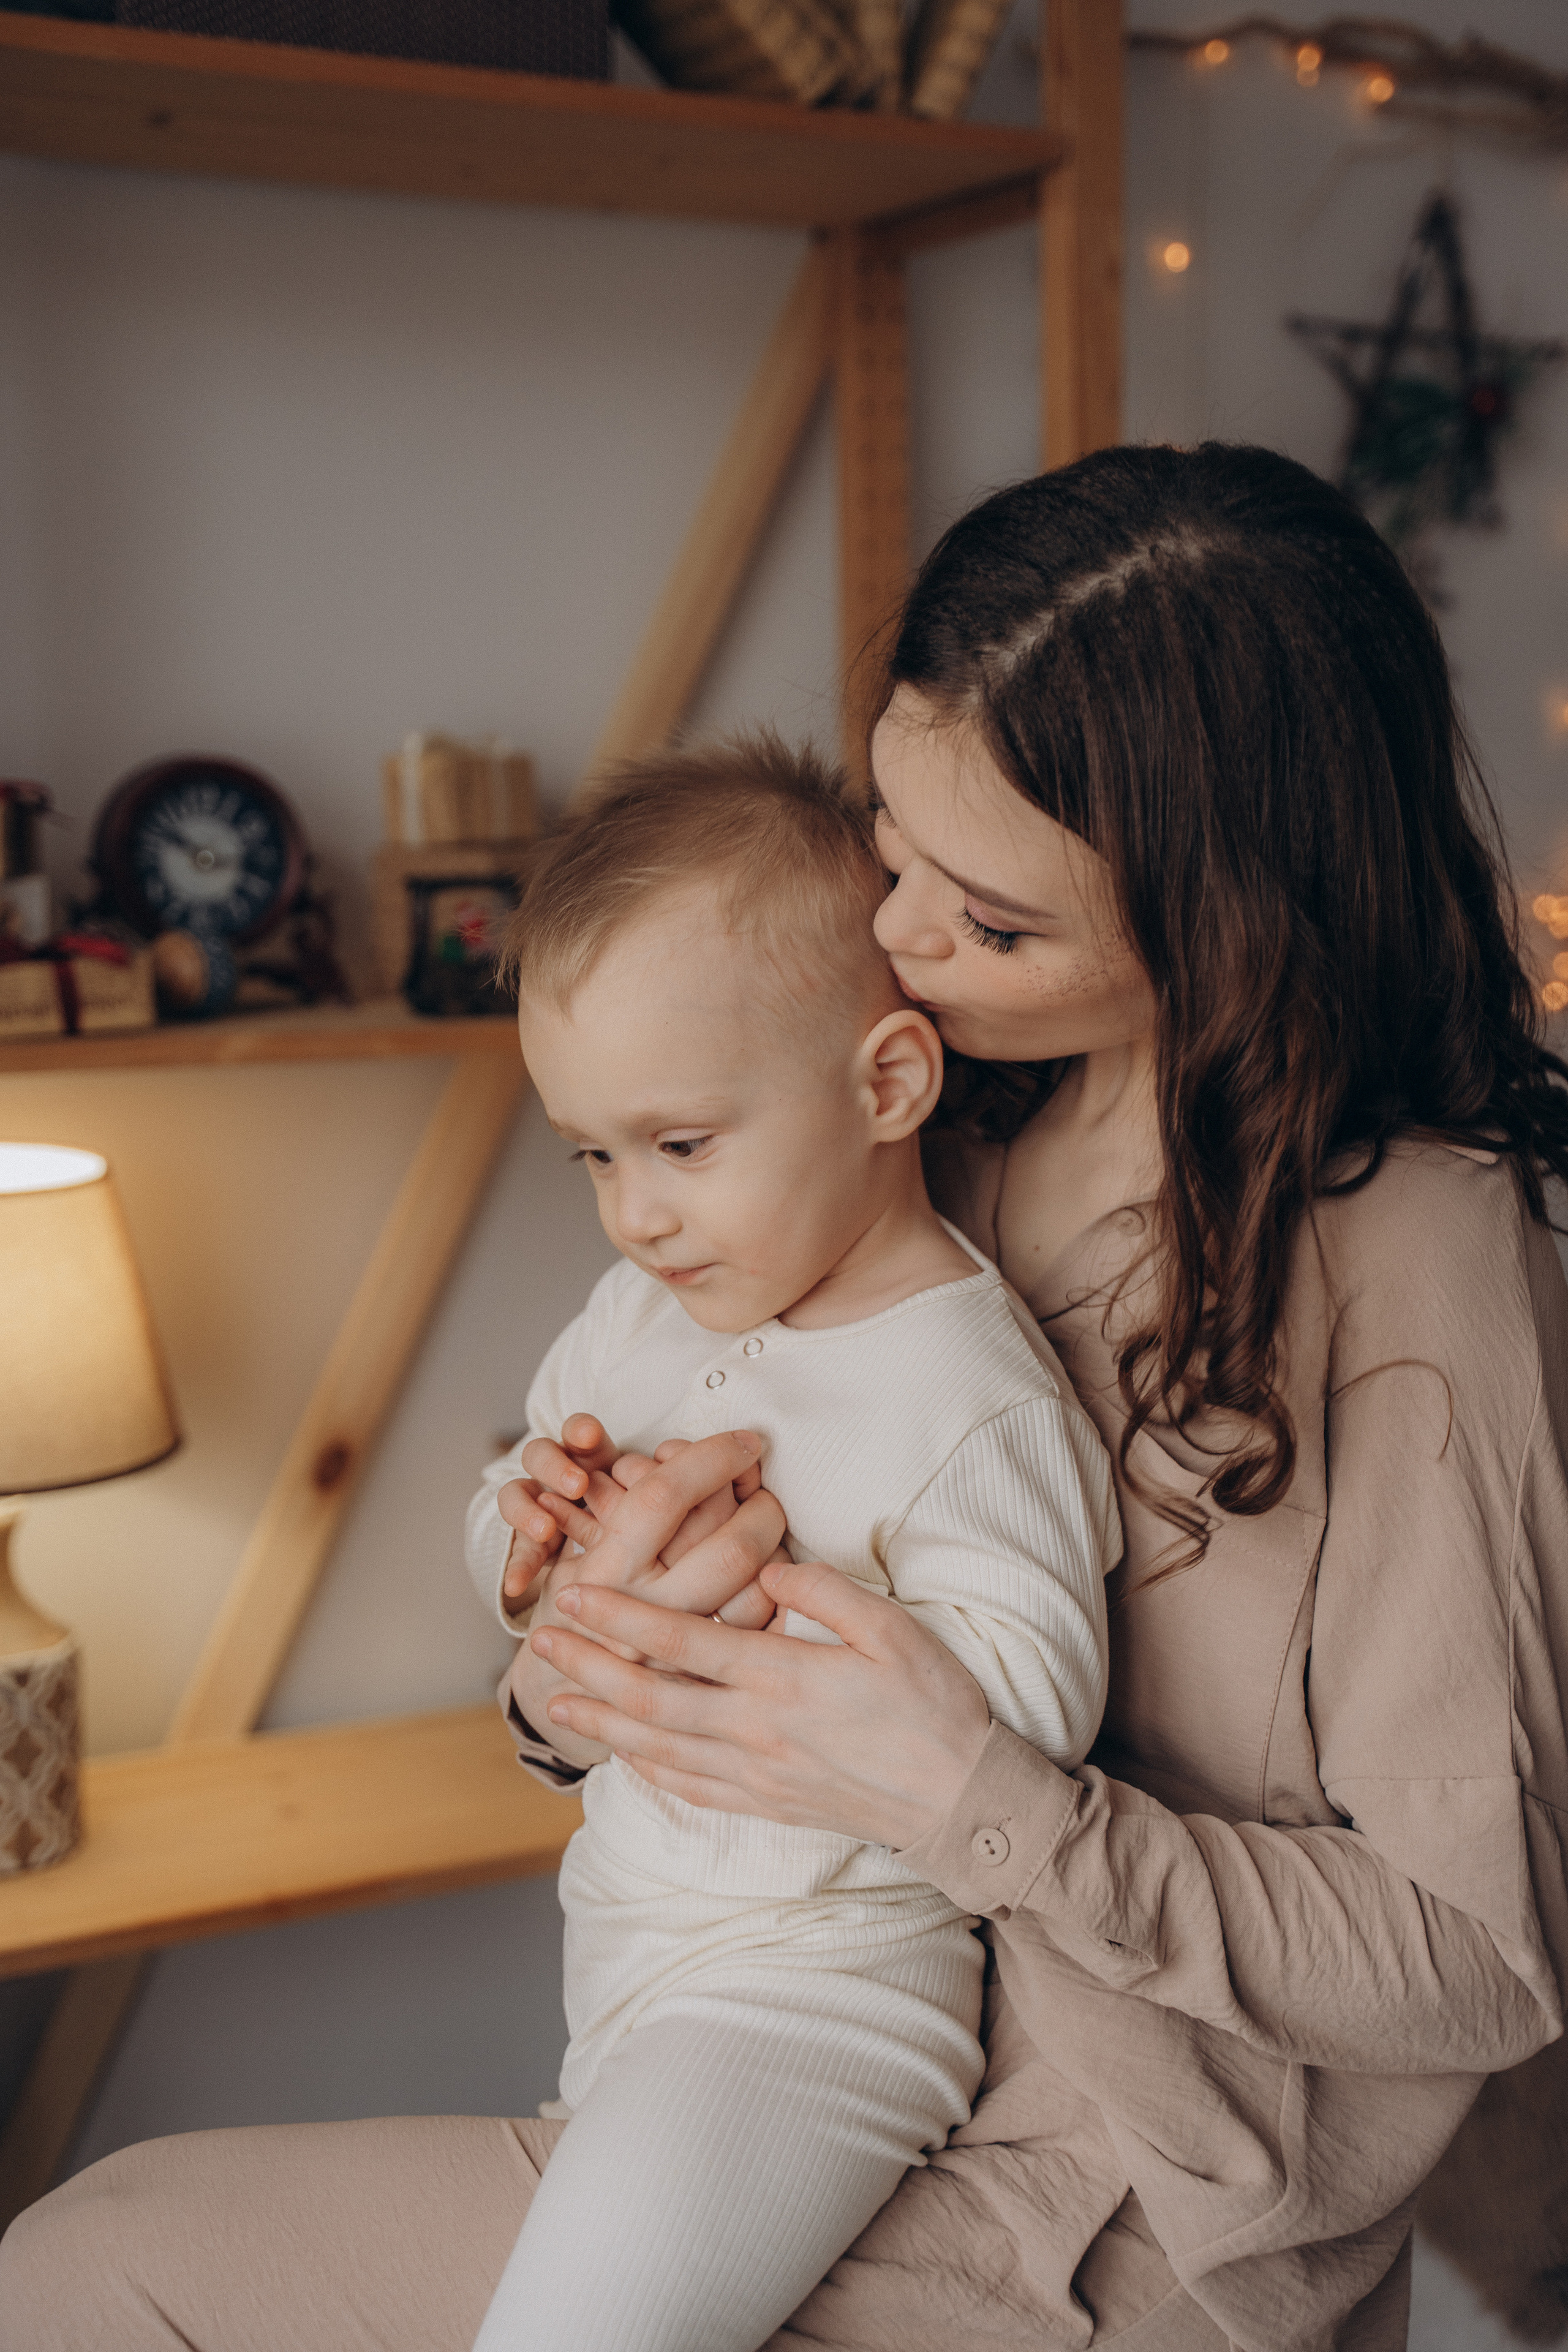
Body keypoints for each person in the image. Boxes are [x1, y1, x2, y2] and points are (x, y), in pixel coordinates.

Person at [5, 440, 1567, 2351]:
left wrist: (984, 1800)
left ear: (1230, 910)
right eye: (900, 857)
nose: (895, 948)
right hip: (757, 2040)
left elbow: (1479, 1966)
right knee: (89, 2258)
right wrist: (579, 1666)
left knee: (103, 2279)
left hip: (1107, 2229)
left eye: (991, 925)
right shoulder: (938, 1125)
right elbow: (684, 1523)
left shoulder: (1416, 1262)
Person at [464, 739, 1118, 2352]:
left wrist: (756, 1615)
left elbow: (1037, 1701)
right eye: (595, 1155)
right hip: (620, 1942)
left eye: (680, 1146)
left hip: (822, 1987)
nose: (634, 1214)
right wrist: (531, 1537)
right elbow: (512, 1506)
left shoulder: (966, 1383)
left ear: (887, 1084)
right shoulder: (641, 1307)